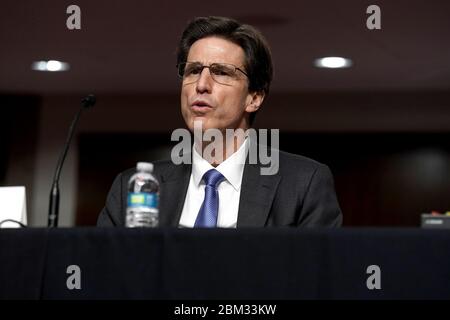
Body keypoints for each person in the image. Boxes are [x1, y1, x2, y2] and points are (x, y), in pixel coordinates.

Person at [97, 16, 342, 227]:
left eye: (221, 72)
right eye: (193, 70)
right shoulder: (133, 187)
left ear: (254, 98)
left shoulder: (303, 183)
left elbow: (316, 278)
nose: (201, 85)